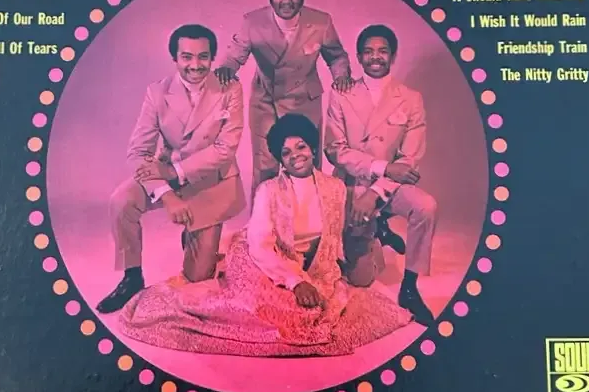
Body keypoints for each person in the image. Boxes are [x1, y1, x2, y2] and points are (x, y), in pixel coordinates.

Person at [117, 114, 410, 356]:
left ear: (312, 149)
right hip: (260, 258)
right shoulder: (268, 190)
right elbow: (260, 245)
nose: (295, 156)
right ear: (280, 160)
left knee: (320, 310)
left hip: (307, 263)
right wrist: (295, 281)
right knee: (271, 310)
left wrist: (344, 257)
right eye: (286, 152)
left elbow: (342, 229)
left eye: (301, 147)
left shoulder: (335, 188)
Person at [96, 24, 245, 314]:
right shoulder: (157, 92)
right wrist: (166, 194)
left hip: (212, 182)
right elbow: (138, 152)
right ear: (175, 58)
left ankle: (194, 235)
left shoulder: (230, 88)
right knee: (122, 200)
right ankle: (131, 277)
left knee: (198, 281)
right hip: (166, 177)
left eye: (203, 57)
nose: (195, 65)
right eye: (187, 57)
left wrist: (174, 171)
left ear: (212, 58)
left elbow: (225, 149)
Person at [324, 24, 437, 325]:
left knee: (425, 206)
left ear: (393, 56)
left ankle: (410, 287)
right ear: (359, 57)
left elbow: (409, 160)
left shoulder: (411, 98)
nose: (376, 57)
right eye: (369, 52)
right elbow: (335, 149)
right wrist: (382, 167)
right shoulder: (342, 93)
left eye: (383, 51)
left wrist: (375, 193)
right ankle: (377, 232)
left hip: (389, 187)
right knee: (359, 278)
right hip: (350, 183)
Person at [214, 0, 353, 192]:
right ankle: (262, 214)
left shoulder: (321, 22)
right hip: (266, 101)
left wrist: (341, 76)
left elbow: (337, 56)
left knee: (307, 164)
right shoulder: (252, 22)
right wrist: (226, 69)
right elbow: (234, 55)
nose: (286, 1)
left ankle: (311, 213)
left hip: (305, 101)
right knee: (265, 167)